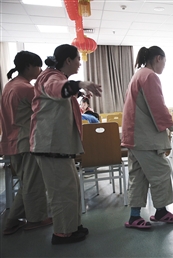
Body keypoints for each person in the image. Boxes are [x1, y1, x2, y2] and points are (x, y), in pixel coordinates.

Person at [30, 44, 102, 244]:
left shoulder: (56, 76)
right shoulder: (51, 77)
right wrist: (81, 84)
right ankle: (62, 233)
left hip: (58, 146)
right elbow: (58, 91)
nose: (80, 62)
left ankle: (71, 227)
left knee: (69, 189)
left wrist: (79, 92)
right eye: (78, 59)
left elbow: (62, 96)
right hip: (50, 145)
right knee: (61, 191)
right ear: (68, 60)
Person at [121, 46, 173, 229]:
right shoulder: (149, 76)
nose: (164, 66)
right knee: (161, 173)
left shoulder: (138, 75)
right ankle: (161, 212)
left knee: (138, 176)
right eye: (164, 62)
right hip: (144, 138)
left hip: (134, 136)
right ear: (158, 58)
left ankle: (134, 217)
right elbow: (158, 106)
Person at [0, 51, 52, 235]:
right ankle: (32, 219)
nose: (39, 70)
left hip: (11, 141)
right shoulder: (26, 88)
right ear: (29, 66)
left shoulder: (10, 86)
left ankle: (13, 221)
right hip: (25, 140)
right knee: (33, 182)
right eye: (38, 66)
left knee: (27, 182)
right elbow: (46, 108)